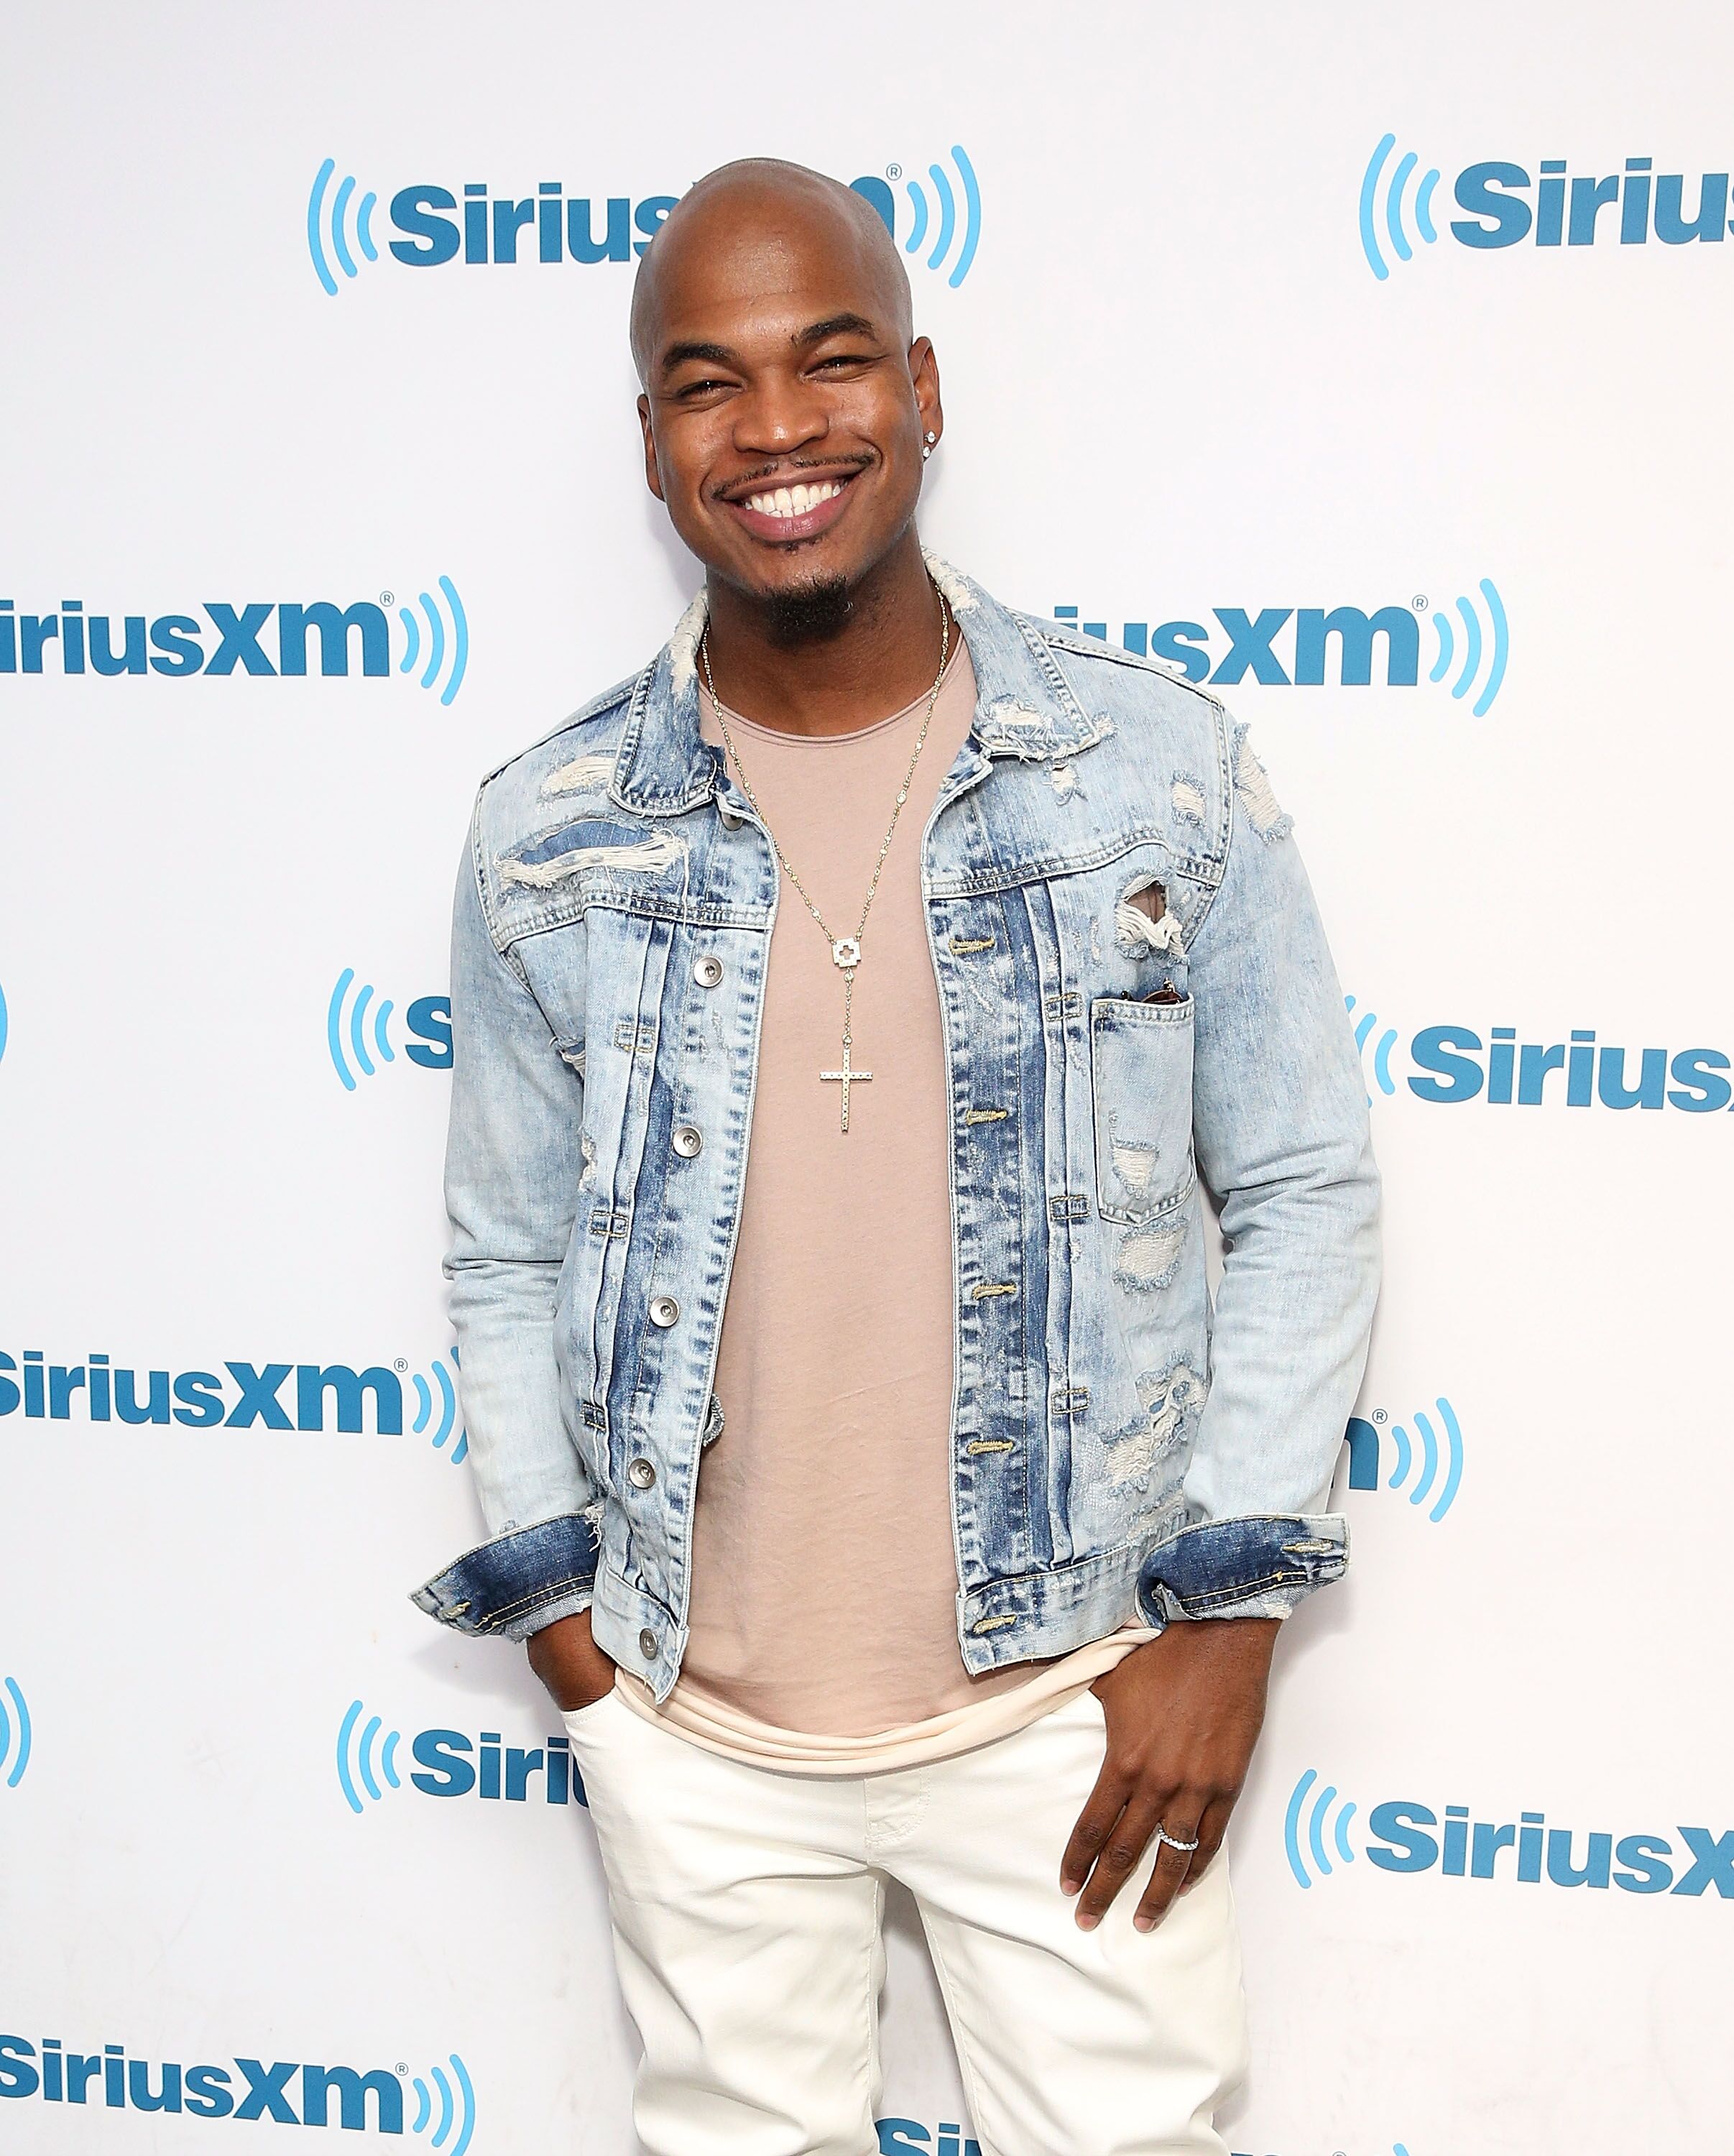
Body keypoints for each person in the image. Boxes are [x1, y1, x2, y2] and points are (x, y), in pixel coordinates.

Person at [412, 158, 1380, 2156]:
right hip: (696, 1722)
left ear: (923, 389)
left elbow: (1300, 1185)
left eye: (829, 361)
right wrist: (587, 1663)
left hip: (1068, 1703)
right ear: (653, 442)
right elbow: (505, 1252)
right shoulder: (548, 829)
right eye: (707, 383)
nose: (776, 431)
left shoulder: (1151, 767)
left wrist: (1227, 1615)